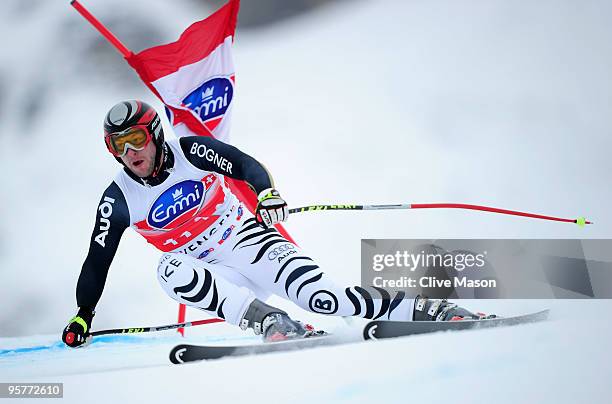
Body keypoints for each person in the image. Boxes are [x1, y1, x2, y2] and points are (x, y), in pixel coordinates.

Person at [62, 100, 488, 348]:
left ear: (154, 133)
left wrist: (266, 193)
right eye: (119, 145)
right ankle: (268, 321)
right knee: (168, 270)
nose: (130, 152)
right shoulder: (118, 198)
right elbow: (98, 258)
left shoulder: (190, 151)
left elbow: (243, 164)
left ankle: (427, 307)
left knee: (322, 298)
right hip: (214, 274)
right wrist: (84, 313)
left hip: (248, 242)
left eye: (136, 138)